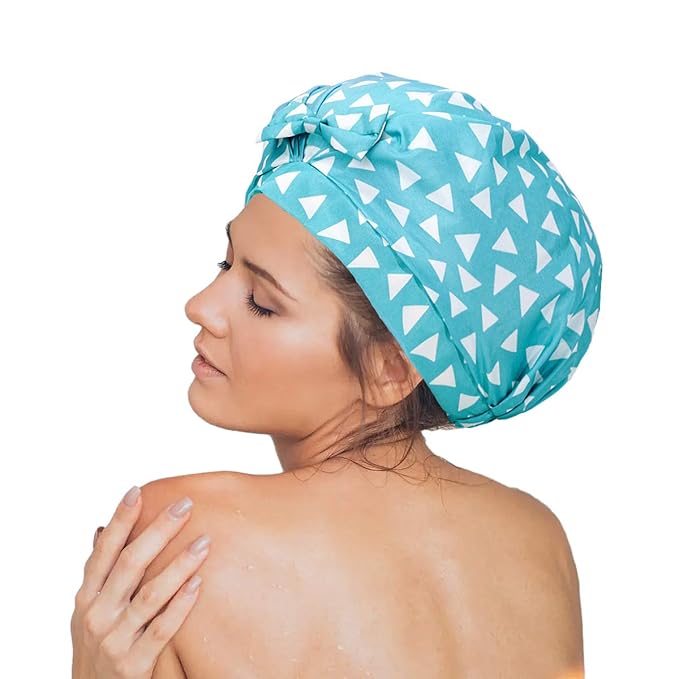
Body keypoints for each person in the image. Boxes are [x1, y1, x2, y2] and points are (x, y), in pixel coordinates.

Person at [80, 71, 600, 677]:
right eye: (225, 264)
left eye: (261, 302)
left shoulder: (180, 540)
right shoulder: (538, 541)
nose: (200, 306)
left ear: (391, 367)